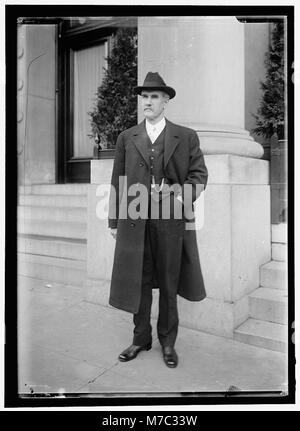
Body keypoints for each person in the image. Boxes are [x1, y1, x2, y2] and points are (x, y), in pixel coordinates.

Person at [108, 72, 208, 368]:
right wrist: (114, 221)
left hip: (171, 221)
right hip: (135, 221)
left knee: (168, 280)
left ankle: (167, 342)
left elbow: (200, 175)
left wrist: (178, 196)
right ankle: (141, 338)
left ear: (166, 102)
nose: (147, 102)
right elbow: (118, 180)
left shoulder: (186, 136)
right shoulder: (127, 136)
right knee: (139, 280)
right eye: (144, 97)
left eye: (154, 97)